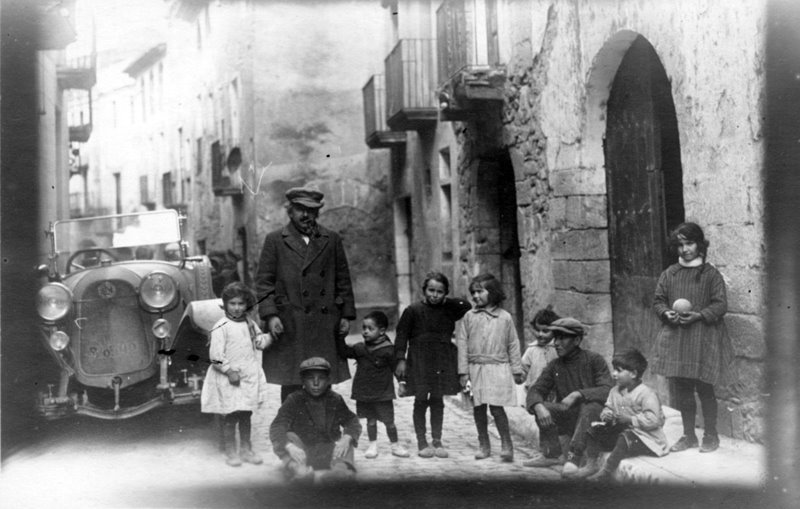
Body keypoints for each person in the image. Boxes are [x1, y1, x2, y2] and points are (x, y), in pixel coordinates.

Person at [255, 186, 356, 403]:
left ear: (317, 212)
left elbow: (343, 280)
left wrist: (346, 315)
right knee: (292, 380)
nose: (306, 215)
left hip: (324, 322)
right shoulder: (275, 240)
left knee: (321, 375)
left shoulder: (331, 239)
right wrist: (271, 315)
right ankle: (291, 426)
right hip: (290, 322)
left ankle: (325, 427)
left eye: (311, 210)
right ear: (290, 211)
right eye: (300, 209)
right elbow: (264, 283)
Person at [651, 222, 734, 454]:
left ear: (700, 245)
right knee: (683, 389)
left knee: (705, 388)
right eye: (680, 245)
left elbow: (720, 305)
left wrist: (699, 315)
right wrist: (666, 312)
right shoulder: (670, 274)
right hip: (679, 339)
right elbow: (658, 301)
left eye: (690, 243)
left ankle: (711, 434)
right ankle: (688, 435)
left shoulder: (711, 275)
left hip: (704, 338)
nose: (685, 249)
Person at [394, 271, 471, 458]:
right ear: (424, 290)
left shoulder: (449, 309)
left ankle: (437, 439)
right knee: (420, 400)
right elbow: (401, 336)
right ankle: (422, 440)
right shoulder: (412, 310)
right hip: (419, 360)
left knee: (437, 400)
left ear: (445, 294)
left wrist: (447, 300)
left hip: (442, 359)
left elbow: (466, 305)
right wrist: (400, 360)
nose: (434, 295)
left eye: (440, 292)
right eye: (431, 290)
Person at [524, 317, 613, 476]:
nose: (557, 343)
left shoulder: (594, 360)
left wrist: (579, 394)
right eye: (556, 338)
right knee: (544, 407)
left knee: (590, 405)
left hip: (595, 422)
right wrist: (539, 406)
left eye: (562, 338)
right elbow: (535, 390)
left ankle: (573, 458)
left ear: (577, 340)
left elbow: (608, 390)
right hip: (572, 420)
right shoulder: (555, 366)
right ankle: (552, 454)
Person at [570, 348, 668, 481]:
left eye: (618, 370)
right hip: (624, 432)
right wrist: (607, 414)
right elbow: (608, 407)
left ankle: (606, 471)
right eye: (613, 369)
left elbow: (654, 420)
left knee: (625, 437)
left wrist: (630, 419)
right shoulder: (614, 391)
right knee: (593, 430)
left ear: (633, 373)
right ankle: (591, 465)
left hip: (647, 438)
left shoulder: (646, 394)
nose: (614, 374)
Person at [200, 282, 270, 467]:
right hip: (229, 379)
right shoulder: (221, 326)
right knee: (231, 416)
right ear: (225, 304)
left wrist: (269, 337)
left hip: (247, 377)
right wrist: (229, 371)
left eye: (240, 304)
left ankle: (246, 449)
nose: (237, 308)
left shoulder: (250, 324)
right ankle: (231, 451)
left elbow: (258, 342)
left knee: (246, 415)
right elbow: (215, 356)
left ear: (246, 305)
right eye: (233, 304)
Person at [456, 273, 524, 462]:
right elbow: (462, 344)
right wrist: (463, 372)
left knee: (496, 408)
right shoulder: (469, 317)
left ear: (492, 292)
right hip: (476, 367)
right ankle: (484, 444)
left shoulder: (505, 318)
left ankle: (506, 444)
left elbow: (513, 344)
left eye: (480, 291)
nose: (476, 296)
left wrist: (516, 369)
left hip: (497, 368)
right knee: (478, 409)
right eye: (473, 293)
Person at [269, 357, 362, 483]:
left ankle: (340, 470)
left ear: (328, 380)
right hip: (302, 452)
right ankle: (297, 469)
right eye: (310, 378)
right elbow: (277, 426)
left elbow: (352, 421)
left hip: (329, 451)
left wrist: (347, 437)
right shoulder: (294, 399)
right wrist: (289, 445)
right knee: (288, 435)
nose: (316, 383)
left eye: (321, 378)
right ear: (302, 380)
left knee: (347, 441)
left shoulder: (335, 399)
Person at [340, 310, 410, 459]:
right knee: (370, 421)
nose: (365, 332)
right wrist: (340, 337)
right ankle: (372, 445)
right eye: (363, 328)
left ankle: (395, 445)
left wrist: (402, 383)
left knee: (389, 422)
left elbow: (396, 369)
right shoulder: (360, 348)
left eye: (370, 329)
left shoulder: (388, 350)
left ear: (382, 331)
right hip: (365, 393)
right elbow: (344, 352)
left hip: (383, 393)